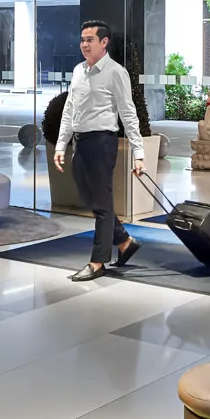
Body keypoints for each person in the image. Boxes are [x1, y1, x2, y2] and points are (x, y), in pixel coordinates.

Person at [52, 19, 144, 281]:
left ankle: (97, 262)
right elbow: (70, 109)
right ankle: (125, 242)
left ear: (104, 42)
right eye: (82, 39)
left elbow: (128, 113)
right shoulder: (79, 70)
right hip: (80, 142)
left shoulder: (116, 72)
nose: (84, 44)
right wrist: (62, 144)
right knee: (89, 198)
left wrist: (139, 153)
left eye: (90, 39)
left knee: (102, 205)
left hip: (103, 142)